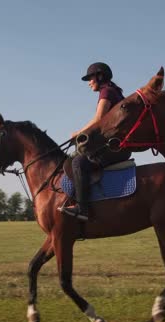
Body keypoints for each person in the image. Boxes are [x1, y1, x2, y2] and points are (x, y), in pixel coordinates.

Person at [59, 62, 130, 221]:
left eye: (90, 78)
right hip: (119, 147)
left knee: (78, 163)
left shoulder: (106, 92)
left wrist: (79, 133)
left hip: (114, 148)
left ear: (99, 76)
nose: (89, 82)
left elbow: (98, 119)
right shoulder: (115, 91)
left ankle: (82, 208)